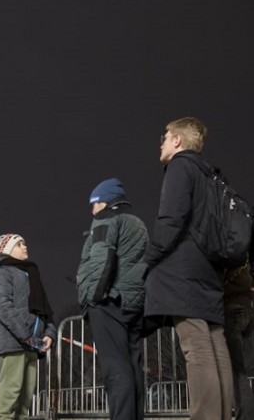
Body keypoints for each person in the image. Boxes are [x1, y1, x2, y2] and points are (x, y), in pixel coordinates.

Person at [143, 117, 233, 420]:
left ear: (178, 141)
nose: (162, 142)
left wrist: (149, 257)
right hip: (209, 269)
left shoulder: (181, 167)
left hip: (183, 271)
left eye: (165, 137)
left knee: (196, 348)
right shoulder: (211, 176)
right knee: (215, 344)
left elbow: (171, 219)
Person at [77, 178, 148, 420]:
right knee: (133, 367)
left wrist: (92, 298)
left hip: (109, 302)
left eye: (93, 204)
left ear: (103, 202)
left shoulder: (105, 219)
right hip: (133, 302)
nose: (92, 210)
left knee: (115, 370)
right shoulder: (137, 223)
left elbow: (101, 259)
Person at [0, 234, 56, 420]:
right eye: (19, 244)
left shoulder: (32, 274)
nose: (25, 247)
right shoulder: (2, 273)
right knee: (9, 399)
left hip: (33, 345)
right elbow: (2, 306)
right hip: (14, 344)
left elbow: (46, 310)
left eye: (24, 243)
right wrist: (24, 334)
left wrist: (50, 334)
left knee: (25, 404)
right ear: (7, 250)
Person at [222, 260, 254, 420]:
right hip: (245, 307)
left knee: (235, 370)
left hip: (230, 309)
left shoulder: (226, 249)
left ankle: (246, 415)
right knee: (240, 367)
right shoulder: (243, 252)